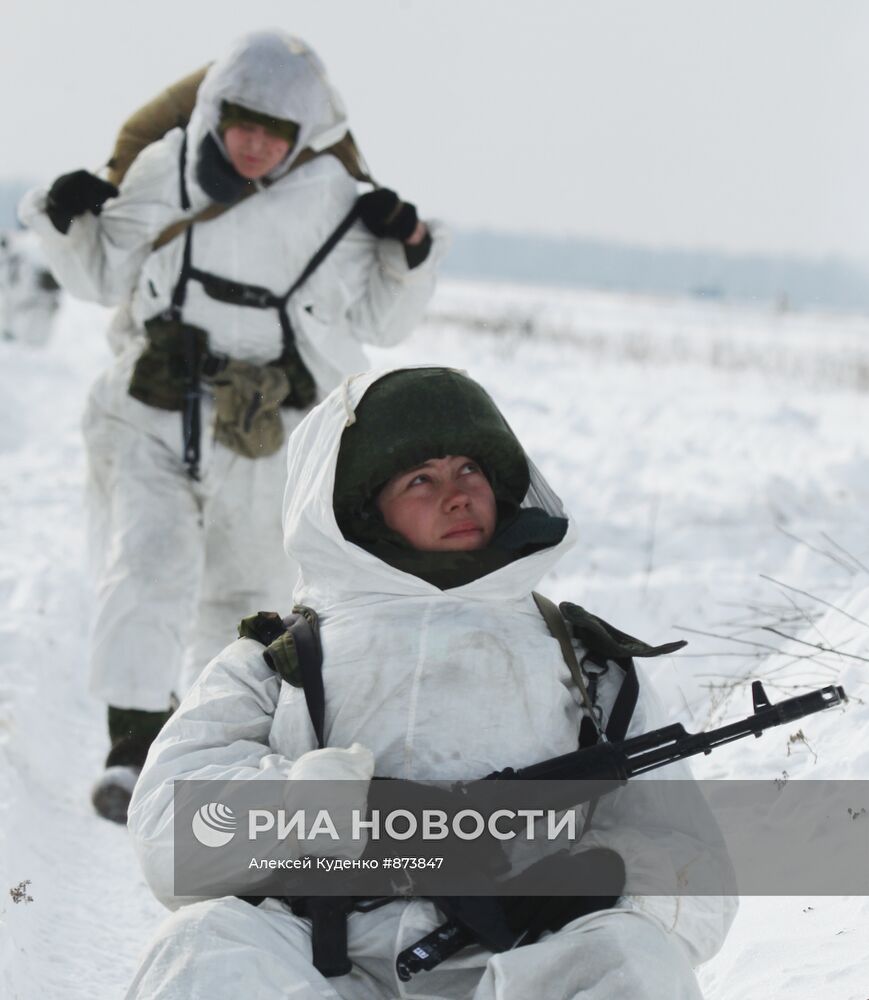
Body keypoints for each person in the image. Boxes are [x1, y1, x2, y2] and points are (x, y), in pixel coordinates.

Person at [124, 366, 737, 999]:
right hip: (313, 965)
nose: (458, 495)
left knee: (633, 960)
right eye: (421, 478)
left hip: (522, 968)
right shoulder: (279, 657)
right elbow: (168, 834)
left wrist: (598, 881)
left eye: (470, 469)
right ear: (365, 509)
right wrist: (318, 807)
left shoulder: (587, 663)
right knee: (201, 949)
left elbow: (698, 875)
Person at [18, 31, 444, 821]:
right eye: (241, 123)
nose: (253, 143)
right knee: (146, 561)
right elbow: (101, 275)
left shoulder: (335, 201)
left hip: (268, 429)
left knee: (244, 598)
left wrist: (407, 247)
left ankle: (213, 754)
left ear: (301, 134)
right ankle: (131, 746)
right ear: (215, 113)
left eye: (274, 130)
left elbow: (383, 321)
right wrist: (68, 216)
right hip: (152, 408)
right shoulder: (167, 169)